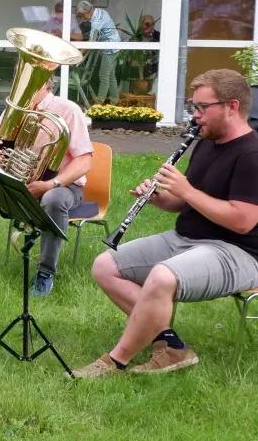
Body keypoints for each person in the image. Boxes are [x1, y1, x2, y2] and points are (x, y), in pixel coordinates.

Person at [74, 69, 258, 378]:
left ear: (232, 106)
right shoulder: (206, 142)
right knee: (105, 266)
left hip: (237, 252)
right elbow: (187, 202)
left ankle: (115, 361)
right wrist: (161, 198)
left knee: (162, 276)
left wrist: (186, 190)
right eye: (193, 106)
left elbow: (242, 221)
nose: (195, 115)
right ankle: (171, 346)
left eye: (202, 107)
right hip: (186, 239)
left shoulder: (251, 154)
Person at [0, 77, 94, 297]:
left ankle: (45, 273)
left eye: (32, 78)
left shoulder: (68, 110)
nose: (23, 84)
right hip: (15, 184)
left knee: (53, 199)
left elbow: (85, 161)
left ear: (46, 83)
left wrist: (50, 184)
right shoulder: (14, 109)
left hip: (61, 186)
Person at [72, 0, 122, 104]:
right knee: (111, 75)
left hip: (110, 48)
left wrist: (80, 54)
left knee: (103, 75)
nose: (82, 19)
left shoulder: (96, 22)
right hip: (115, 45)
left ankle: (100, 101)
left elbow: (91, 43)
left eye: (82, 16)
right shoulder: (100, 11)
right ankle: (114, 99)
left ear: (87, 12)